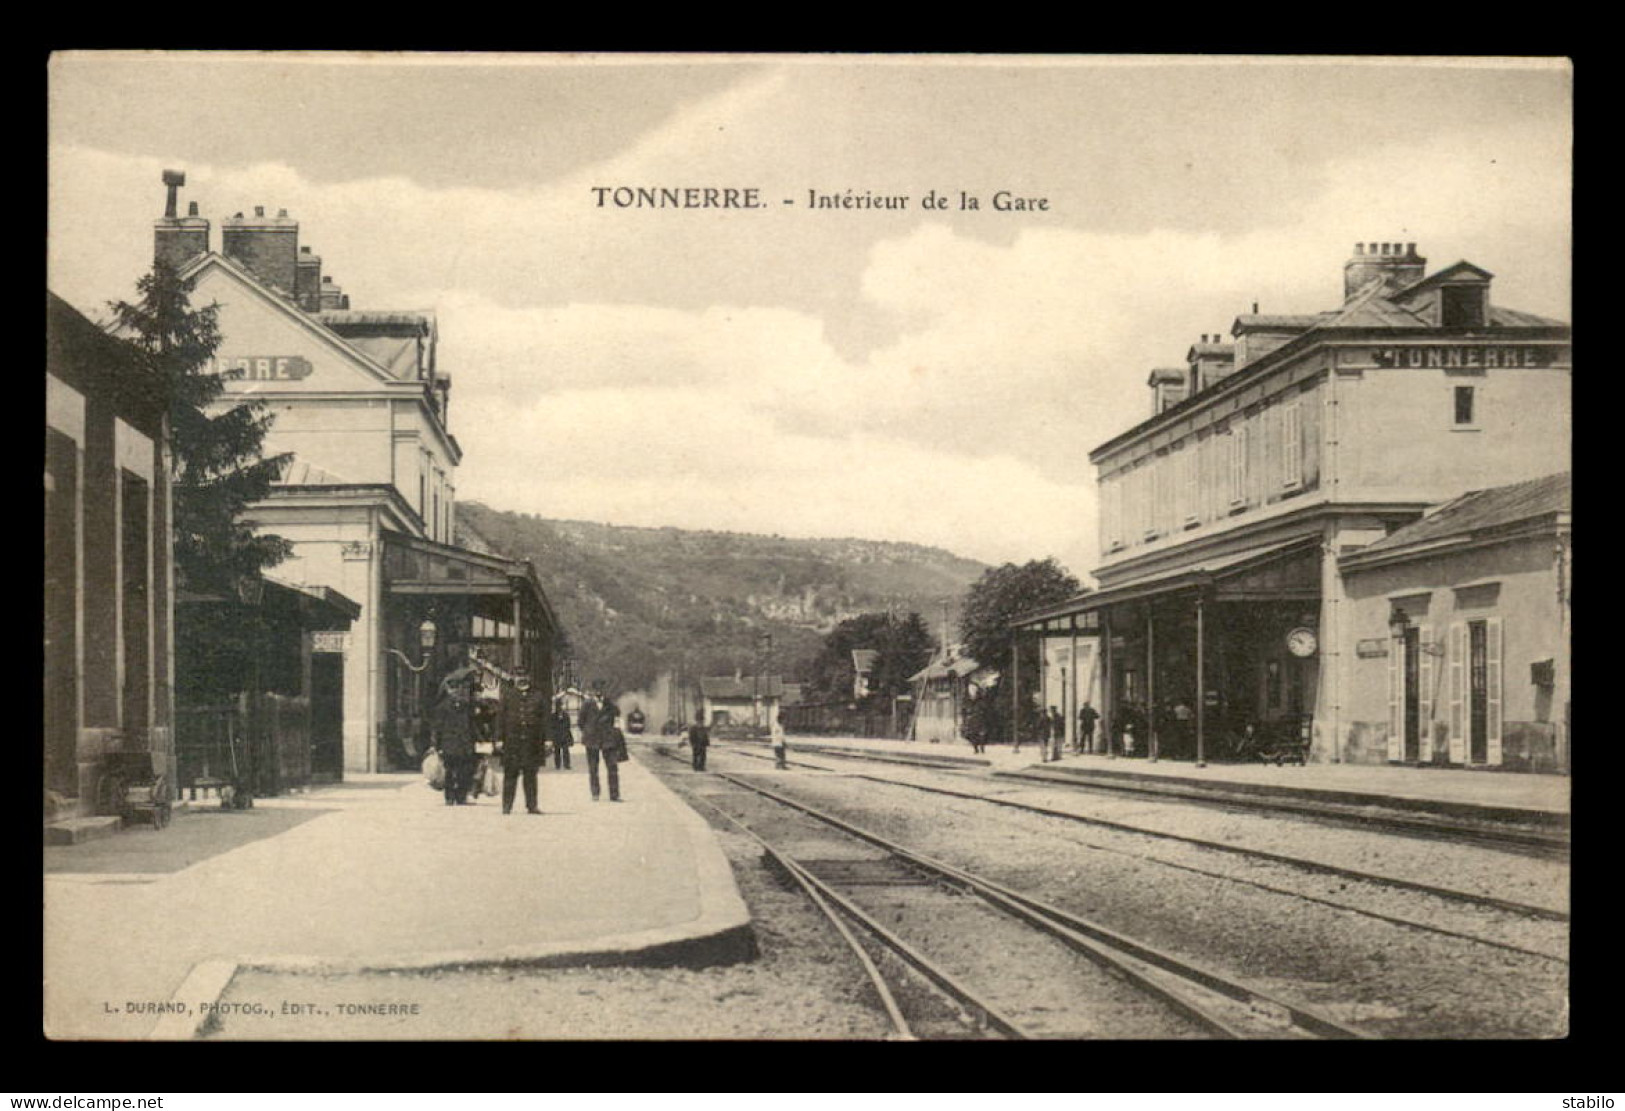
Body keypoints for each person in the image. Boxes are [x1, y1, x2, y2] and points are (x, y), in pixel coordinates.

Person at [499, 667, 547, 815]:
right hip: (512, 742)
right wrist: (499, 739)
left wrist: (548, 739)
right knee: (510, 776)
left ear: (529, 676)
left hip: (531, 743)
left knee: (530, 776)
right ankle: (507, 806)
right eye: (518, 676)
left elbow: (545, 719)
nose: (521, 679)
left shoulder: (538, 696)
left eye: (524, 675)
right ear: (514, 678)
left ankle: (532, 805)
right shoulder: (508, 696)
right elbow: (500, 719)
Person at [433, 671, 477, 805]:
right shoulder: (442, 707)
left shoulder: (467, 706)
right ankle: (449, 796)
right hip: (449, 744)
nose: (457, 692)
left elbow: (472, 725)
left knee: (465, 771)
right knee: (450, 771)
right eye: (453, 689)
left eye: (459, 688)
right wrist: (436, 745)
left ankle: (461, 796)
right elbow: (438, 728)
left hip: (464, 743)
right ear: (447, 690)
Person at [581, 685, 622, 802]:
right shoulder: (587, 705)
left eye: (601, 690)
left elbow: (617, 714)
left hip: (607, 739)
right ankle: (595, 793)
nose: (599, 693)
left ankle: (614, 794)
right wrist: (588, 732)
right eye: (596, 690)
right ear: (593, 692)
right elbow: (581, 721)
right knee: (593, 768)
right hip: (592, 739)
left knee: (612, 767)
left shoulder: (610, 704)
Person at [550, 696, 575, 770]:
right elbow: (552, 726)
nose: (560, 708)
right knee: (557, 751)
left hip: (564, 735)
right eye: (558, 706)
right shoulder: (553, 716)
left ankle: (566, 764)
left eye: (560, 705)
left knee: (565, 750)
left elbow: (568, 725)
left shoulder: (565, 715)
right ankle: (557, 765)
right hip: (557, 735)